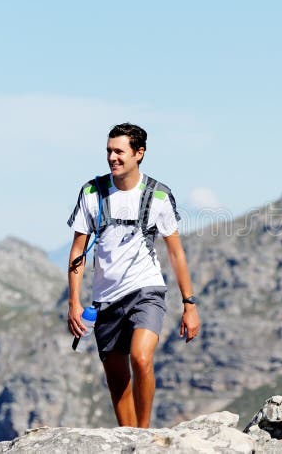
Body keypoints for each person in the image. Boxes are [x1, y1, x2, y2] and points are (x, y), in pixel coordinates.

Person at [66, 122, 200, 428]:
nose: (112, 157)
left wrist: (189, 304)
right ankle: (129, 439)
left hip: (146, 291)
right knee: (117, 379)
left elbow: (176, 253)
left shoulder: (160, 196)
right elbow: (77, 252)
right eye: (109, 151)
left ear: (139, 154)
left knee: (140, 357)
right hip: (105, 300)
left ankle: (145, 434)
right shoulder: (92, 192)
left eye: (119, 151)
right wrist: (74, 302)